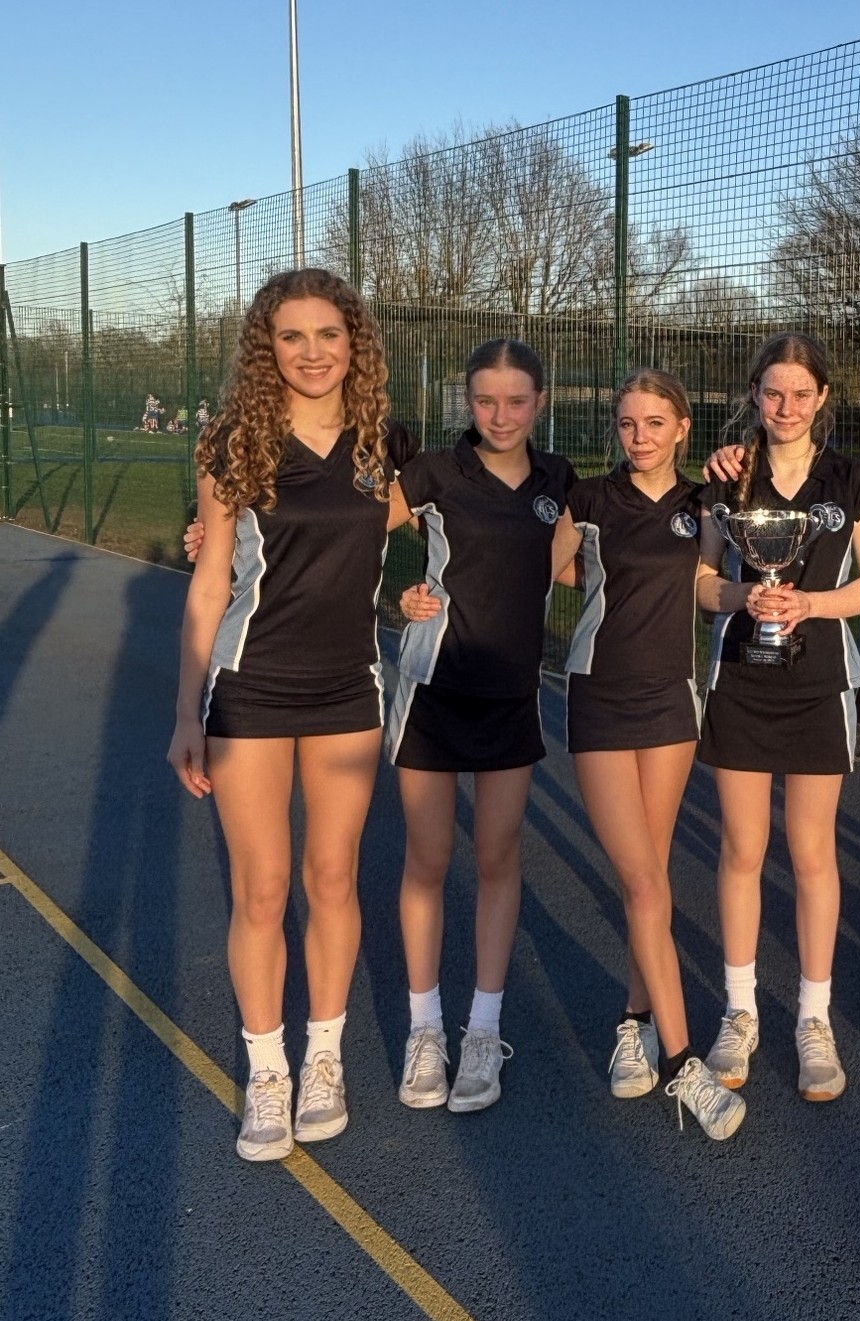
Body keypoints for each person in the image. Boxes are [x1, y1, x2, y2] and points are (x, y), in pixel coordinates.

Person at [166, 268, 418, 1162]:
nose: (312, 353)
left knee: (332, 880)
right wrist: (186, 711)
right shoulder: (231, 443)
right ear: (265, 348)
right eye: (291, 337)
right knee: (262, 888)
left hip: (349, 687)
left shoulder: (387, 445)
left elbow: (471, 494)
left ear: (356, 342)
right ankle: (267, 1070)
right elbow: (208, 583)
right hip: (250, 688)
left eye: (328, 335)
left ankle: (325, 1058)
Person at [695, 332, 860, 1102]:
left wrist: (809, 603)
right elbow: (702, 580)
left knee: (811, 853)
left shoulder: (852, 478)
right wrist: (745, 597)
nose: (785, 407)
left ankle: (814, 1018)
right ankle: (740, 1010)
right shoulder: (728, 477)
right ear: (754, 394)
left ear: (822, 401)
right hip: (742, 677)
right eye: (772, 393)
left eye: (800, 394)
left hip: (819, 684)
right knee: (742, 849)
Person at [387, 340, 575, 1117]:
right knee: (428, 859)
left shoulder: (559, 480)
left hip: (508, 696)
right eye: (485, 401)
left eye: (516, 401)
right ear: (466, 401)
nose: (500, 416)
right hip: (432, 689)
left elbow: (589, 558)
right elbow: (343, 537)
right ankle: (424, 1027)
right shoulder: (431, 472)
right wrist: (397, 599)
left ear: (540, 402)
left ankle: (481, 1029)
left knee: (497, 856)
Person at [557, 370, 745, 1138]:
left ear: (681, 427)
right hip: (599, 695)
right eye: (627, 422)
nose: (639, 435)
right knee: (639, 880)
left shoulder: (702, 505)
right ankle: (681, 1063)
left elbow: (704, 586)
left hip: (671, 698)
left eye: (653, 422)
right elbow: (539, 570)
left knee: (652, 882)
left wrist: (754, 594)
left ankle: (632, 1021)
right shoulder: (589, 502)